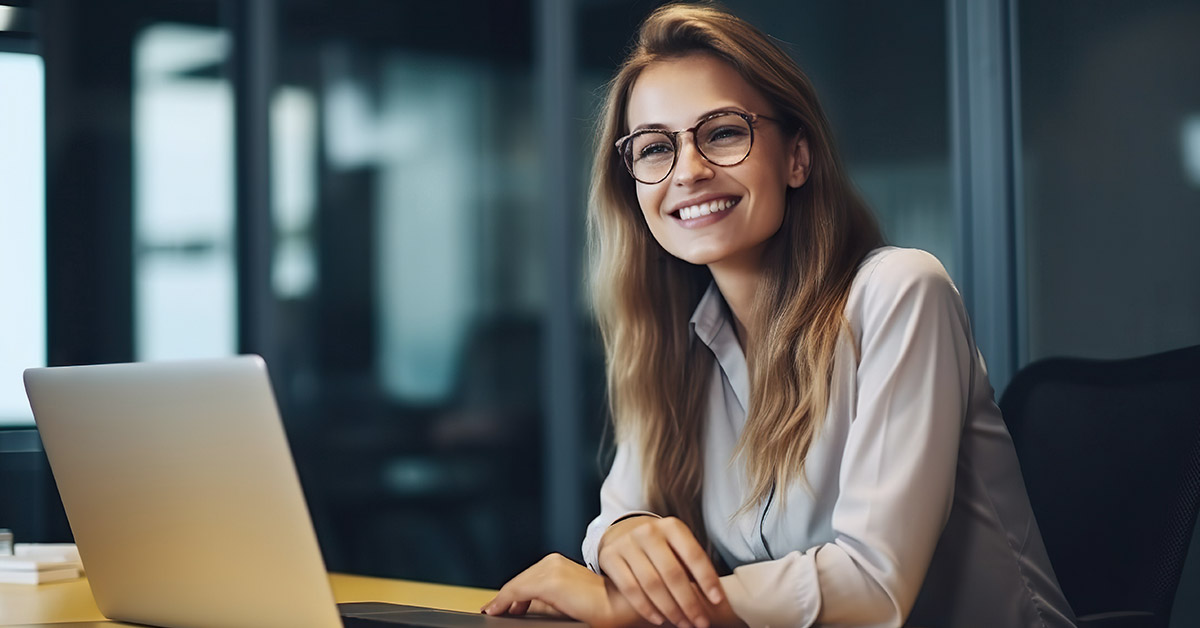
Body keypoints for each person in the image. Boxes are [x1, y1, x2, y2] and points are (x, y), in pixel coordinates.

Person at [482, 3, 1076, 627]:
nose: (687, 170)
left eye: (723, 132)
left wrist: (631, 606)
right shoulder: (677, 342)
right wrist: (621, 535)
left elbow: (874, 583)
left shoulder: (901, 291)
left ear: (797, 157)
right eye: (655, 148)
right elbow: (620, 512)